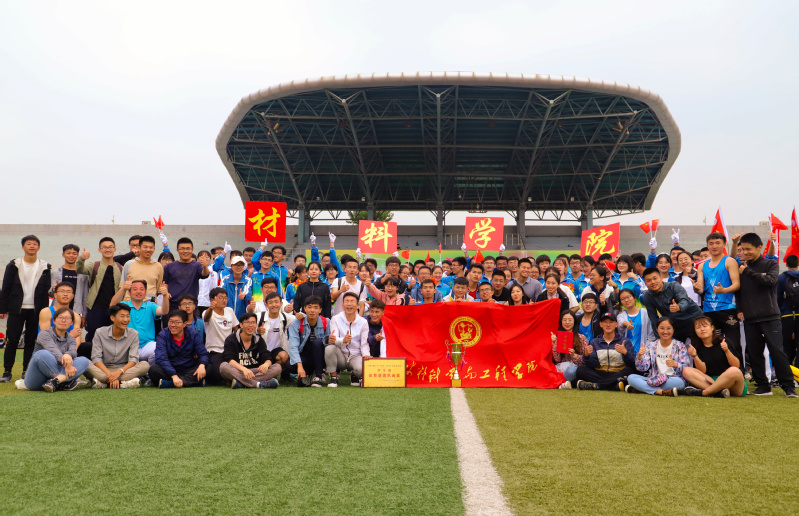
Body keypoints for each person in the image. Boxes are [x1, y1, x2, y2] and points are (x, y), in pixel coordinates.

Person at [737, 233, 798, 397]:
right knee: (755, 353)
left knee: (777, 352)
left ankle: (788, 387)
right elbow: (739, 291)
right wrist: (739, 309)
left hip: (770, 316)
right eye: (743, 249)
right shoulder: (740, 267)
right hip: (750, 317)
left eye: (749, 249)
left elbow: (770, 281)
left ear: (759, 247)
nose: (745, 252)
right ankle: (763, 386)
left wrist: (747, 272)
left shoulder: (770, 264)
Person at [0, 235, 52, 382]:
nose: (32, 246)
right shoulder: (13, 265)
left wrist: (45, 310)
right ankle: (7, 371)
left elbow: (46, 290)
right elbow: (6, 288)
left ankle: (26, 370)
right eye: (28, 244)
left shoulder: (45, 266)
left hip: (36, 310)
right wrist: (2, 309)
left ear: (38, 247)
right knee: (12, 340)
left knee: (31, 341)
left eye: (35, 244)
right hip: (16, 309)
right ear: (23, 247)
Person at [693, 232, 742, 365]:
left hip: (727, 308)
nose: (714, 246)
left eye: (717, 243)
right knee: (711, 343)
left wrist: (724, 290)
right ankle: (716, 371)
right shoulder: (702, 266)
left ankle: (739, 371)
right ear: (707, 245)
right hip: (708, 310)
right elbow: (701, 288)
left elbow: (737, 284)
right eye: (711, 243)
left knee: (733, 343)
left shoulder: (729, 261)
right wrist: (696, 287)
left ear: (724, 244)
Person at [24, 307, 90, 392]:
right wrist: (68, 365)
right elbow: (53, 351)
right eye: (60, 317)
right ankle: (63, 381)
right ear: (54, 321)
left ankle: (56, 381)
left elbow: (73, 352)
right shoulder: (44, 334)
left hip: (58, 372)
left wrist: (68, 354)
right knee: (43, 354)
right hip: (37, 380)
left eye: (67, 318)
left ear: (71, 323)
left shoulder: (71, 339)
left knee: (84, 361)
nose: (63, 320)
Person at [75, 238, 123, 348]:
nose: (108, 249)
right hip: (96, 308)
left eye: (110, 247)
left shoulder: (120, 268)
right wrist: (82, 258)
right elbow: (79, 269)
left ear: (115, 249)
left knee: (113, 336)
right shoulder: (94, 265)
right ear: (99, 250)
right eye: (104, 247)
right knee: (93, 335)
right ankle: (90, 357)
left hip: (114, 308)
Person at [681, 316, 746, 397]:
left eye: (705, 326)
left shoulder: (724, 342)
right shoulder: (697, 347)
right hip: (711, 381)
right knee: (686, 370)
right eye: (698, 327)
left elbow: (736, 365)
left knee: (734, 371)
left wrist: (726, 350)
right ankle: (718, 392)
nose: (702, 329)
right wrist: (695, 356)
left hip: (733, 383)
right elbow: (702, 371)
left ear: (712, 328)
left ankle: (704, 393)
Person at [88, 303, 149, 389]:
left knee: (145, 365)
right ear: (112, 318)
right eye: (122, 316)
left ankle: (103, 383)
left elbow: (133, 359)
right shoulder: (100, 332)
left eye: (128, 316)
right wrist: (110, 375)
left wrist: (119, 372)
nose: (126, 319)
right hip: (103, 369)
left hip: (124, 370)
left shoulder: (134, 334)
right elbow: (96, 358)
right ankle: (123, 383)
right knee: (85, 363)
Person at [626, 316, 691, 396]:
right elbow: (642, 368)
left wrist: (675, 364)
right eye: (662, 328)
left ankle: (643, 388)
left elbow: (686, 368)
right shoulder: (652, 345)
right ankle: (660, 392)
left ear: (673, 330)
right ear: (657, 329)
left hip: (672, 379)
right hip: (654, 378)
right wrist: (639, 356)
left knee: (679, 383)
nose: (665, 332)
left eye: (668, 328)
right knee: (631, 378)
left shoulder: (680, 346)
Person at [110, 279, 170, 363]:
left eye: (141, 289)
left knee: (159, 348)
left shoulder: (151, 306)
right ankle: (138, 369)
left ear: (145, 292)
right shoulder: (124, 306)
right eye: (135, 289)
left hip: (147, 345)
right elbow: (112, 305)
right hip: (128, 346)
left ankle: (149, 370)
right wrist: (123, 289)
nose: (138, 292)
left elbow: (164, 311)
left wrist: (165, 295)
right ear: (129, 293)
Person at [640, 267, 703, 343]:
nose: (653, 282)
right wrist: (659, 339)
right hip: (675, 326)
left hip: (693, 319)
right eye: (648, 280)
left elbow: (684, 299)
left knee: (700, 345)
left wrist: (679, 307)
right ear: (645, 283)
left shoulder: (673, 285)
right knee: (674, 348)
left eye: (655, 278)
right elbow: (653, 318)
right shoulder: (647, 296)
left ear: (661, 278)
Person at [575, 313, 636, 391]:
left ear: (616, 324)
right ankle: (613, 385)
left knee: (629, 371)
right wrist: (587, 356)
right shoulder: (595, 342)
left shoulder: (625, 341)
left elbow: (632, 363)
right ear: (600, 324)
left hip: (618, 372)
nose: (608, 325)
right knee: (580, 370)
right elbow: (592, 364)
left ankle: (597, 385)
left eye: (611, 322)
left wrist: (625, 353)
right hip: (600, 372)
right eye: (605, 322)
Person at [220, 312, 281, 389]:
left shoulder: (259, 339)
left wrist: (266, 364)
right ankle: (258, 384)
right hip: (239, 370)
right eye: (247, 322)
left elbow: (266, 356)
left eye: (253, 322)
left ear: (256, 325)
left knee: (277, 367)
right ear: (241, 325)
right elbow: (229, 359)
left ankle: (241, 383)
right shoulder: (231, 339)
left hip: (255, 371)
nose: (250, 325)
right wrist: (244, 369)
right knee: (223, 366)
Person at [151, 309, 208, 388]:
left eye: (177, 322)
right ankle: (192, 382)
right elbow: (161, 358)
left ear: (185, 324)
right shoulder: (162, 335)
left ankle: (170, 384)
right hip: (169, 368)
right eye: (170, 322)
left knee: (207, 368)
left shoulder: (193, 334)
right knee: (153, 370)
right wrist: (173, 375)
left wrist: (202, 365)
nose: (173, 325)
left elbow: (203, 353)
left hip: (188, 368)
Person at [326, 292, 371, 387]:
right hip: (341, 355)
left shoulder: (363, 322)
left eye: (352, 301)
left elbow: (364, 343)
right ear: (342, 306)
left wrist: (366, 355)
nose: (349, 304)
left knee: (361, 370)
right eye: (347, 301)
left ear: (357, 306)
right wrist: (343, 340)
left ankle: (354, 374)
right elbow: (334, 339)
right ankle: (333, 377)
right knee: (329, 348)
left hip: (355, 356)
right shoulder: (335, 319)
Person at [288, 296, 331, 387]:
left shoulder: (326, 322)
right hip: (306, 356)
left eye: (315, 307)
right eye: (309, 307)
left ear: (320, 310)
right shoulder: (296, 323)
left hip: (321, 357)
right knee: (290, 366)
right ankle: (308, 373)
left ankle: (319, 375)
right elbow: (293, 346)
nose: (312, 310)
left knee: (317, 342)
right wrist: (300, 366)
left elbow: (330, 346)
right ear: (304, 309)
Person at [202, 287, 241, 385]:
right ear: (212, 300)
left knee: (240, 367)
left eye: (225, 298)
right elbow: (206, 318)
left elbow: (236, 329)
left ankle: (235, 380)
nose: (224, 300)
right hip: (215, 350)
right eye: (221, 298)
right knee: (216, 373)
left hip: (230, 349)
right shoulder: (207, 312)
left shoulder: (229, 311)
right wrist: (211, 308)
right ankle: (233, 380)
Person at [162, 238, 210, 311]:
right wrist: (166, 293)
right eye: (182, 249)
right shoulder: (169, 266)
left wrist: (205, 266)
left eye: (188, 249)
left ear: (192, 250)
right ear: (177, 250)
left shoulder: (197, 265)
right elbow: (165, 283)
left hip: (191, 306)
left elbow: (204, 275)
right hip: (173, 305)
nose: (185, 251)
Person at [38, 281, 83, 355]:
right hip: (47, 351)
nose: (65, 294)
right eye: (62, 291)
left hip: (68, 352)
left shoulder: (76, 316)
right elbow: (47, 337)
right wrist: (70, 336)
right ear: (55, 295)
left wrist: (70, 353)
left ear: (73, 296)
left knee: (84, 359)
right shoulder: (46, 312)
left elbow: (77, 339)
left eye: (69, 292)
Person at [256, 292, 294, 375]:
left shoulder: (285, 317)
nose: (274, 305)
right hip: (261, 351)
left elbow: (300, 319)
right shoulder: (259, 317)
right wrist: (257, 330)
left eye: (276, 302)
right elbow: (246, 326)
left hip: (276, 351)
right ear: (266, 305)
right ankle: (269, 374)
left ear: (281, 304)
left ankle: (274, 373)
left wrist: (300, 315)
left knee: (284, 357)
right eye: (270, 302)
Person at [120, 235, 164, 302]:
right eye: (145, 247)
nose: (148, 250)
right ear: (139, 248)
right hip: (130, 303)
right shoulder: (129, 264)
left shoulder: (158, 266)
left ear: (154, 249)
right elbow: (122, 287)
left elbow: (158, 288)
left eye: (151, 247)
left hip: (149, 304)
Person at [550, 311, 586, 389]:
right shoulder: (557, 337)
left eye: (570, 320)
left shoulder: (581, 338)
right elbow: (557, 359)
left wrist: (574, 356)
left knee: (570, 371)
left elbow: (585, 360)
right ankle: (562, 384)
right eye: (564, 320)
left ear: (574, 321)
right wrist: (554, 344)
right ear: (561, 322)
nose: (567, 322)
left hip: (573, 368)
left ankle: (560, 383)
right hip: (560, 367)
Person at [50, 244, 88, 318]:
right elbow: (51, 294)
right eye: (68, 253)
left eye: (74, 253)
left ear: (78, 255)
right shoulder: (56, 273)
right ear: (63, 255)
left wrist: (84, 315)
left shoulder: (83, 274)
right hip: (58, 311)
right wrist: (53, 289)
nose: (71, 256)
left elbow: (85, 296)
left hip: (76, 311)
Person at [616, 288, 654, 354]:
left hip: (644, 352)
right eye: (623, 299)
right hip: (627, 353)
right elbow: (621, 323)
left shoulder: (645, 313)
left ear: (634, 298)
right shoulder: (621, 316)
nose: (626, 300)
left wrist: (646, 349)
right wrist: (627, 324)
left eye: (628, 297)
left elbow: (651, 334)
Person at [777, 254, 799, 366]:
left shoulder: (781, 278)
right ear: (798, 264)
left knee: (786, 344)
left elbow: (778, 298)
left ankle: (786, 368)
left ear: (786, 264)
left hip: (786, 315)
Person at [197, 250, 218, 314]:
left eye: (207, 257)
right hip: (196, 303)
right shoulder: (195, 271)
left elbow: (213, 288)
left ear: (210, 259)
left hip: (208, 303)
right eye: (201, 257)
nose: (204, 258)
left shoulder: (214, 273)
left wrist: (211, 275)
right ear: (197, 259)